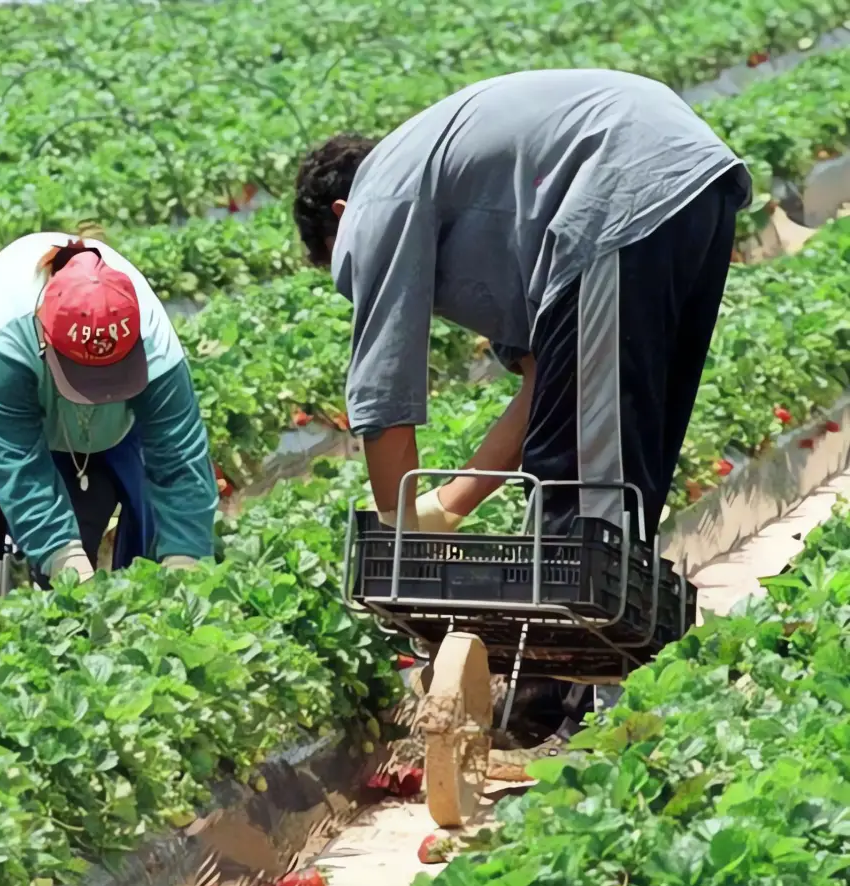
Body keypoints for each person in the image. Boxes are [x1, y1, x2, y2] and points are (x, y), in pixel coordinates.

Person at [294, 68, 752, 542]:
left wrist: (396, 528)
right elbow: (544, 383)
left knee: (583, 490)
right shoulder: (461, 187)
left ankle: (583, 599)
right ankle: (610, 594)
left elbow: (383, 395)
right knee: (627, 454)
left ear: (343, 216)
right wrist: (448, 506)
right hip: (696, 177)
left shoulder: (377, 200)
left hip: (621, 182)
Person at [0, 231, 220, 589]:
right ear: (44, 341)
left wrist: (184, 563)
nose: (92, 394)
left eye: (108, 377)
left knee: (82, 534)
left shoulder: (154, 340)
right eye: (84, 379)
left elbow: (180, 458)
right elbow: (14, 457)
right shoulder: (0, 335)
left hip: (103, 434)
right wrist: (60, 553)